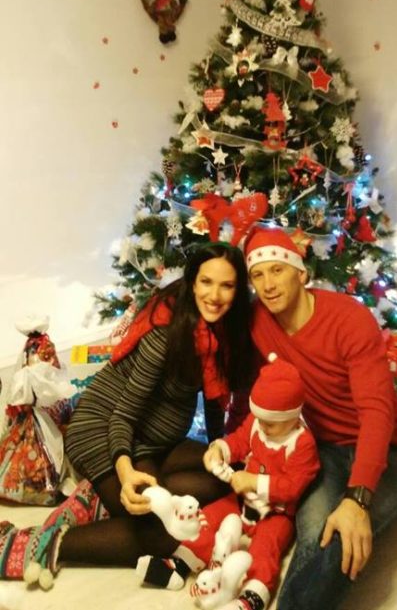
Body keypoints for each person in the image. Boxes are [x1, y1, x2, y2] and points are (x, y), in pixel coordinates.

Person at [0, 242, 254, 588]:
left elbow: (213, 401)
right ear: (192, 282)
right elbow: (123, 416)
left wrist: (218, 447)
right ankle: (32, 544)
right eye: (206, 282)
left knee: (225, 476)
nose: (215, 295)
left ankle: (101, 501)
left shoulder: (220, 334)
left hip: (156, 443)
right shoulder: (165, 334)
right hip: (104, 429)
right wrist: (126, 470)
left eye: (227, 285)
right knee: (162, 532)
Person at [245, 227, 397, 610]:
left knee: (343, 538)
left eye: (277, 270)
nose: (268, 284)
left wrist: (357, 498)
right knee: (316, 535)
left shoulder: (349, 318)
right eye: (257, 275)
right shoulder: (258, 321)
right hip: (323, 448)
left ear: (301, 272)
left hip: (389, 452)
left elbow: (377, 412)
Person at [136, 354, 320, 610]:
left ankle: (252, 595)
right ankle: (180, 563)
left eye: (270, 424)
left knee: (265, 549)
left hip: (276, 513)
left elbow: (293, 487)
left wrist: (254, 481)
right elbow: (239, 440)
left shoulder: (302, 443)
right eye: (260, 420)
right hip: (242, 499)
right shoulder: (258, 423)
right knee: (210, 516)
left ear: (292, 416)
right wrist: (220, 450)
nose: (263, 427)